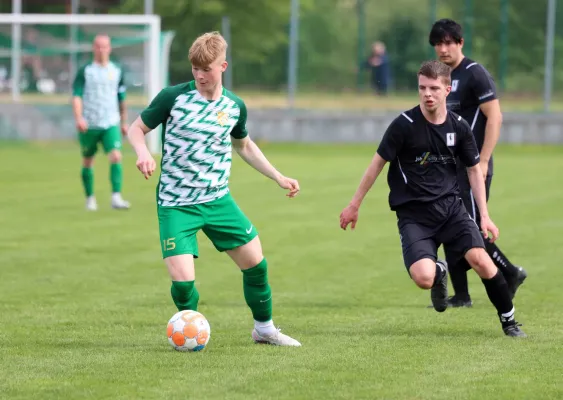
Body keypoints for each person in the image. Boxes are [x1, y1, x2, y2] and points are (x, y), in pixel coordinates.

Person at [127, 32, 301, 347]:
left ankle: (264, 330)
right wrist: (142, 153)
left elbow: (244, 146)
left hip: (218, 201)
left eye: (206, 69)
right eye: (195, 68)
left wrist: (278, 176)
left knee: (256, 265)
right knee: (183, 283)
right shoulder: (173, 97)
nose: (199, 75)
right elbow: (136, 128)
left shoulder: (234, 106)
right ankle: (190, 333)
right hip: (176, 204)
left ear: (223, 66)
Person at [339, 60, 526, 337]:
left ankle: (509, 322)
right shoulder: (403, 125)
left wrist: (484, 215)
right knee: (423, 279)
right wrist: (354, 205)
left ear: (447, 90)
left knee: (482, 261)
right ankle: (438, 271)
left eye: (434, 88)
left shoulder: (459, 126)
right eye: (422, 88)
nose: (427, 94)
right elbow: (376, 164)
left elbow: (474, 170)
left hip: (452, 210)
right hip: (414, 215)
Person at [428, 18, 527, 307]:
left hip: (472, 165)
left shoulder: (475, 74)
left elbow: (495, 117)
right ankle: (462, 295)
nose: (443, 49)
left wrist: (483, 161)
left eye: (448, 42)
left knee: (469, 227)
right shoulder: (440, 76)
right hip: (448, 164)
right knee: (447, 222)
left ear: (460, 43)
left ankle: (510, 272)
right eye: (438, 43)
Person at [72, 34, 130, 211]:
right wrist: (79, 117)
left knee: (116, 156)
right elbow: (77, 96)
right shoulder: (85, 71)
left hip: (110, 122)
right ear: (93, 48)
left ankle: (116, 197)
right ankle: (90, 198)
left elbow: (121, 97)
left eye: (105, 46)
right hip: (89, 123)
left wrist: (124, 121)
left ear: (110, 48)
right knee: (88, 160)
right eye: (98, 46)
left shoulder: (117, 70)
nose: (101, 50)